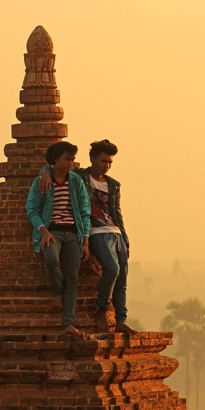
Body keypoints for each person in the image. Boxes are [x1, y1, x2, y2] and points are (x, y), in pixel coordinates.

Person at [38, 139, 138, 335]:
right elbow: (54, 165)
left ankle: (121, 320)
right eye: (102, 161)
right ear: (92, 159)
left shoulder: (113, 185)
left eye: (109, 162)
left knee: (122, 276)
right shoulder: (79, 176)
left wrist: (125, 239)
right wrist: (43, 173)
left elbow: (117, 214)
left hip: (114, 231)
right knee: (111, 268)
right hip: (95, 230)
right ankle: (101, 309)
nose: (106, 166)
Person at [25, 141, 91, 337]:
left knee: (73, 278)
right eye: (67, 158)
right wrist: (43, 230)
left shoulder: (76, 182)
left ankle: (68, 324)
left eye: (72, 159)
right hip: (52, 231)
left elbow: (85, 212)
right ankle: (59, 290)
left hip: (73, 233)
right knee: (52, 260)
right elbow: (32, 210)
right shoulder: (42, 182)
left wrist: (85, 240)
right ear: (56, 160)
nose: (71, 163)